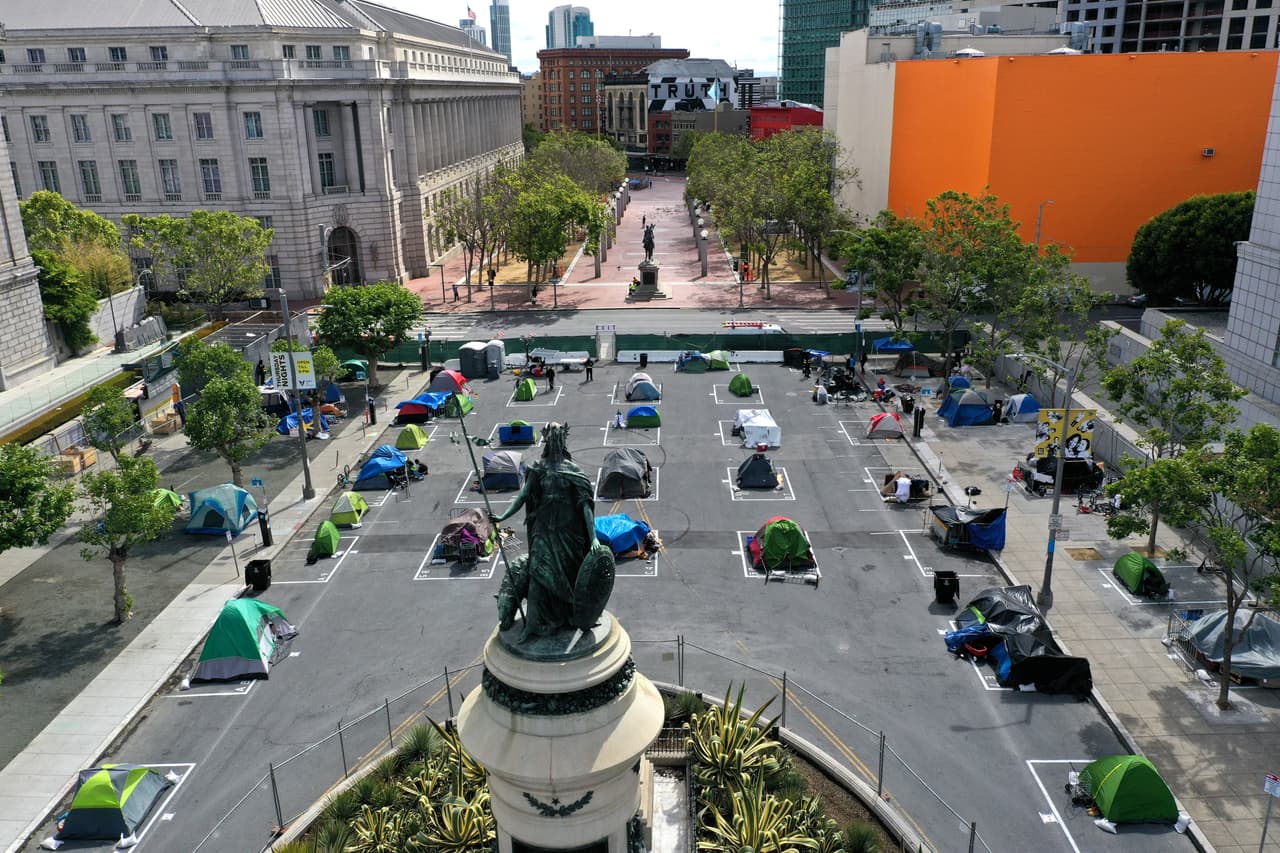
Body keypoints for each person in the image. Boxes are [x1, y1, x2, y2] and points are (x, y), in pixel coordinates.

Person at [491, 423, 613, 640]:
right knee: (537, 575)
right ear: (548, 441)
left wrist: (593, 538)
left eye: (558, 439)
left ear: (563, 442)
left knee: (571, 577)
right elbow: (523, 497)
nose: (555, 443)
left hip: (569, 534)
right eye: (552, 439)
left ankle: (569, 617)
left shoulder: (573, 471)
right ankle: (534, 626)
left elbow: (585, 506)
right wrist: (502, 517)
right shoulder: (539, 468)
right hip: (543, 532)